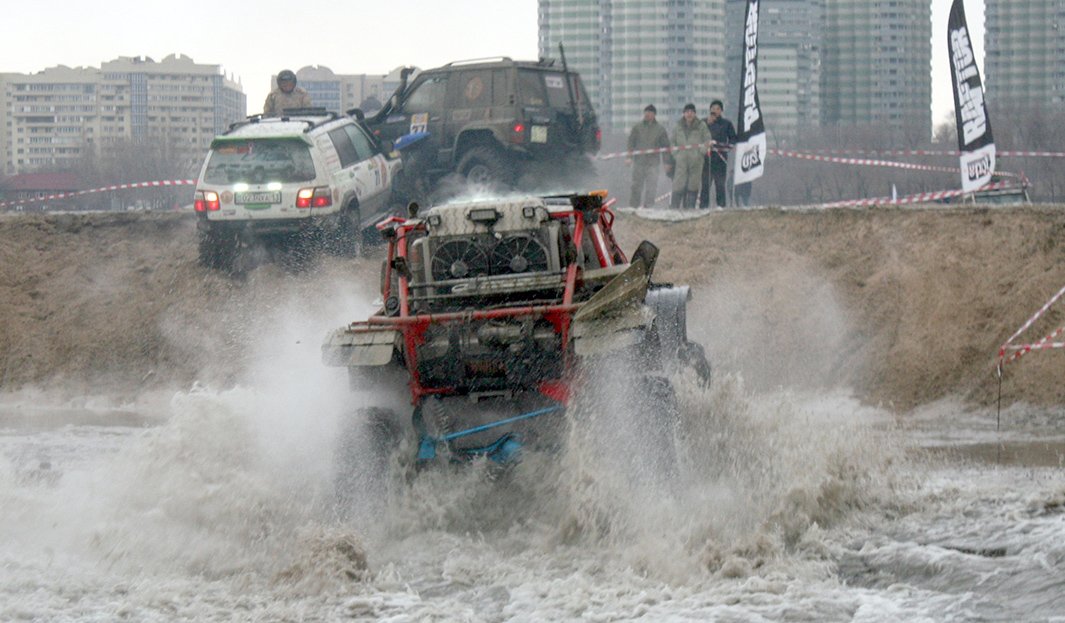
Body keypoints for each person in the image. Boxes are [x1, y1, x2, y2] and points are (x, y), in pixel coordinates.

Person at [625, 104, 671, 208]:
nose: (647, 114)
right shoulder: (637, 127)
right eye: (646, 112)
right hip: (639, 163)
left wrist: (667, 162)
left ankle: (648, 208)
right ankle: (633, 208)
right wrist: (629, 157)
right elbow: (631, 143)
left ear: (654, 115)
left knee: (651, 188)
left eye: (650, 112)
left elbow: (666, 147)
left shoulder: (660, 129)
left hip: (653, 164)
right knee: (636, 187)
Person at [671, 103, 713, 209]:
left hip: (696, 161)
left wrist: (701, 153)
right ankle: (674, 208)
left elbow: (708, 140)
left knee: (693, 185)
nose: (689, 114)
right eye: (687, 112)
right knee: (678, 184)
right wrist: (677, 155)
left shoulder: (701, 126)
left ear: (695, 113)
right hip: (681, 161)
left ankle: (690, 208)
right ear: (684, 113)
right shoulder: (677, 126)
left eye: (691, 112)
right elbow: (672, 142)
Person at [700, 100, 737, 209]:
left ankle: (721, 207)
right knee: (705, 185)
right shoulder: (703, 123)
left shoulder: (726, 124)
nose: (715, 110)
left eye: (717, 108)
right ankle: (703, 207)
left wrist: (725, 147)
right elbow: (697, 135)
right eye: (713, 108)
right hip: (706, 160)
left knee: (720, 185)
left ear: (721, 111)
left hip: (720, 160)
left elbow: (733, 139)